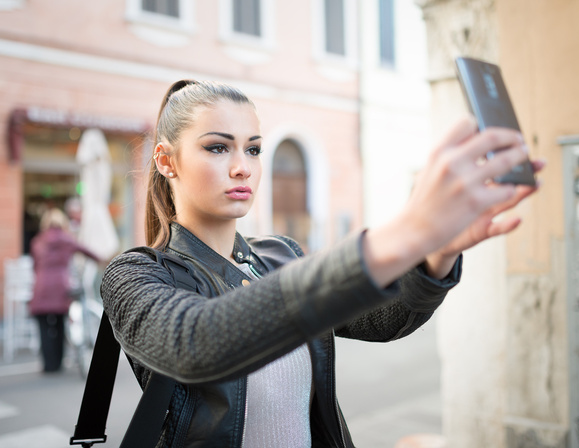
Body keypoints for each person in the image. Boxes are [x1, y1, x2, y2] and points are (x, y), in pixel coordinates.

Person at [100, 80, 543, 447]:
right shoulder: (135, 274)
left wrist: (436, 253)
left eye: (253, 149)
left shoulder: (281, 255)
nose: (242, 167)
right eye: (218, 148)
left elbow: (385, 320)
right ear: (165, 160)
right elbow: (195, 341)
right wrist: (404, 234)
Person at [29, 207, 99, 373]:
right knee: (60, 324)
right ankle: (58, 362)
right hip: (61, 286)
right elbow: (89, 252)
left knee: (44, 327)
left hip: (41, 286)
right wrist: (103, 259)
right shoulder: (67, 239)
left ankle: (48, 365)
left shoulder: (38, 241)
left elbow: (34, 264)